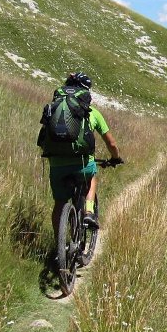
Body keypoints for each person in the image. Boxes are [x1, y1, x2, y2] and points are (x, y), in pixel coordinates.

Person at [47, 71, 122, 231]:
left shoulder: (54, 109)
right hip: (82, 163)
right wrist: (115, 158)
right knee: (92, 177)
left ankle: (58, 247)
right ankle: (88, 211)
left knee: (59, 204)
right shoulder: (92, 112)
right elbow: (112, 143)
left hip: (56, 164)